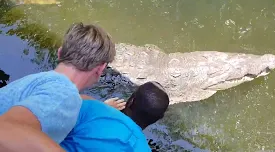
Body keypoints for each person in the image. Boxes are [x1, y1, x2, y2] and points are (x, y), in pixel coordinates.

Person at [0, 22, 116, 151]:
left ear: (59, 52)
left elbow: (52, 107)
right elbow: (4, 131)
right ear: (101, 69)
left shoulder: (42, 81)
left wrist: (101, 107)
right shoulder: (64, 95)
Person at [60, 81, 169, 152]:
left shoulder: (92, 109)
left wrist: (102, 107)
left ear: (131, 101)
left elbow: (59, 103)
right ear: (158, 119)